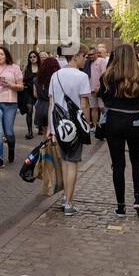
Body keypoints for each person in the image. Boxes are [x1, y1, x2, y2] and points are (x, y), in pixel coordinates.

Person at [99, 44, 139, 218]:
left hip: (114, 120)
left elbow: (104, 98)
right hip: (134, 119)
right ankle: (138, 199)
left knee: (118, 164)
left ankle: (121, 206)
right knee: (137, 161)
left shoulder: (107, 76)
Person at [48, 45, 93, 217]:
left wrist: (50, 129)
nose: (85, 60)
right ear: (76, 55)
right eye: (84, 56)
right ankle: (68, 202)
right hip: (75, 125)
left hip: (59, 124)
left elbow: (52, 103)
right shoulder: (82, 76)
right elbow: (83, 104)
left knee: (65, 161)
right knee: (73, 162)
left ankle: (65, 197)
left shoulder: (55, 75)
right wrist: (87, 125)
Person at [35, 50, 61, 138]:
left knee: (45, 136)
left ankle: (46, 151)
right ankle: (53, 151)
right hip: (53, 107)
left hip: (40, 107)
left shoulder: (36, 79)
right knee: (55, 136)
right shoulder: (56, 79)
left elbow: (35, 94)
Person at [20, 50, 42, 140]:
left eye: (34, 56)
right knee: (29, 110)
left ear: (37, 57)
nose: (32, 58)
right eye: (30, 57)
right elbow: (21, 79)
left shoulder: (41, 67)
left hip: (39, 93)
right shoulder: (26, 68)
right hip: (28, 92)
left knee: (39, 110)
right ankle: (30, 132)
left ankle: (40, 128)